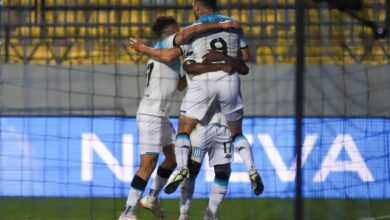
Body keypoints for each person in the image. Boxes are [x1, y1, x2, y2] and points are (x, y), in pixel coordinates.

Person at [119, 16, 241, 220]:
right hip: (151, 114)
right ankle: (127, 213)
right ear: (170, 33)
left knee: (173, 158)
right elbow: (186, 35)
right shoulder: (165, 46)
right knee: (147, 163)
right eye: (177, 30)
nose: (181, 33)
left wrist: (197, 68)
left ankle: (151, 197)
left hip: (161, 116)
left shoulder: (170, 56)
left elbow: (180, 85)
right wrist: (221, 25)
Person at [179, 102, 234, 220]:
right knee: (192, 169)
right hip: (201, 128)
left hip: (223, 128)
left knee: (223, 172)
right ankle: (183, 216)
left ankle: (210, 215)